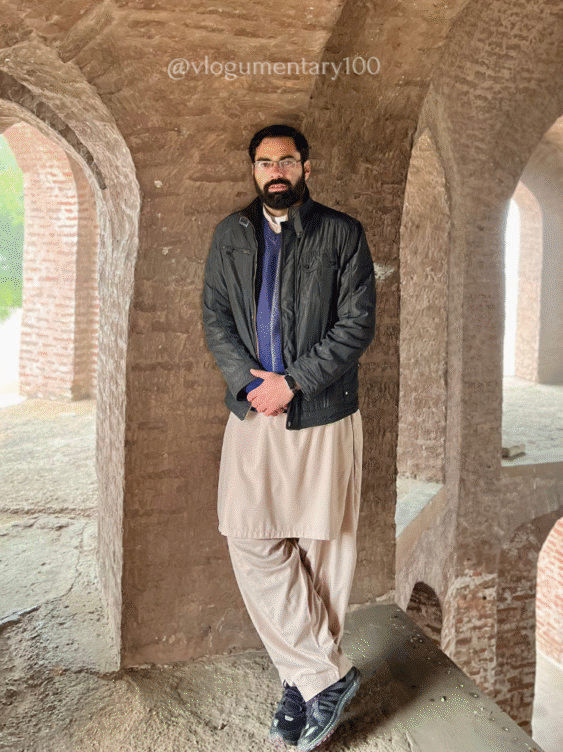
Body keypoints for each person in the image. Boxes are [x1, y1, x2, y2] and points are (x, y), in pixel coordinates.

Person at [201, 124, 376, 751]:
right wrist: (250, 385)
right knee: (250, 533)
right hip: (253, 411)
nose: (277, 171)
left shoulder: (342, 233)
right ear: (253, 170)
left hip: (321, 412)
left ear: (306, 166)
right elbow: (215, 316)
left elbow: (357, 325)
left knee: (322, 545)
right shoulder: (230, 235)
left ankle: (301, 683)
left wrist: (292, 383)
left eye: (287, 160)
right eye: (265, 161)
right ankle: (321, 677)